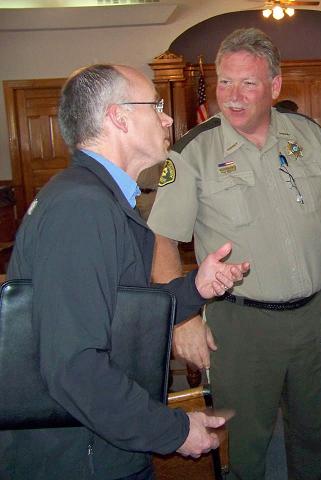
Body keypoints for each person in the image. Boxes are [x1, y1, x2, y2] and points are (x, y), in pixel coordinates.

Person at [0, 64, 250, 479]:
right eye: (156, 106)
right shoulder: (82, 209)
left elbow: (121, 314)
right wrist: (172, 431)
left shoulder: (97, 198)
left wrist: (195, 287)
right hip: (82, 457)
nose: (167, 119)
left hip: (96, 442)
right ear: (118, 117)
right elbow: (74, 366)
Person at [147, 28, 321, 480]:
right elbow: (162, 239)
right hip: (240, 325)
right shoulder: (193, 152)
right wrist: (183, 318)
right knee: (243, 444)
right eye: (225, 82)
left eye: (248, 83)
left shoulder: (310, 135)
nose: (232, 96)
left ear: (275, 86)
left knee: (315, 435)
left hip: (314, 316)